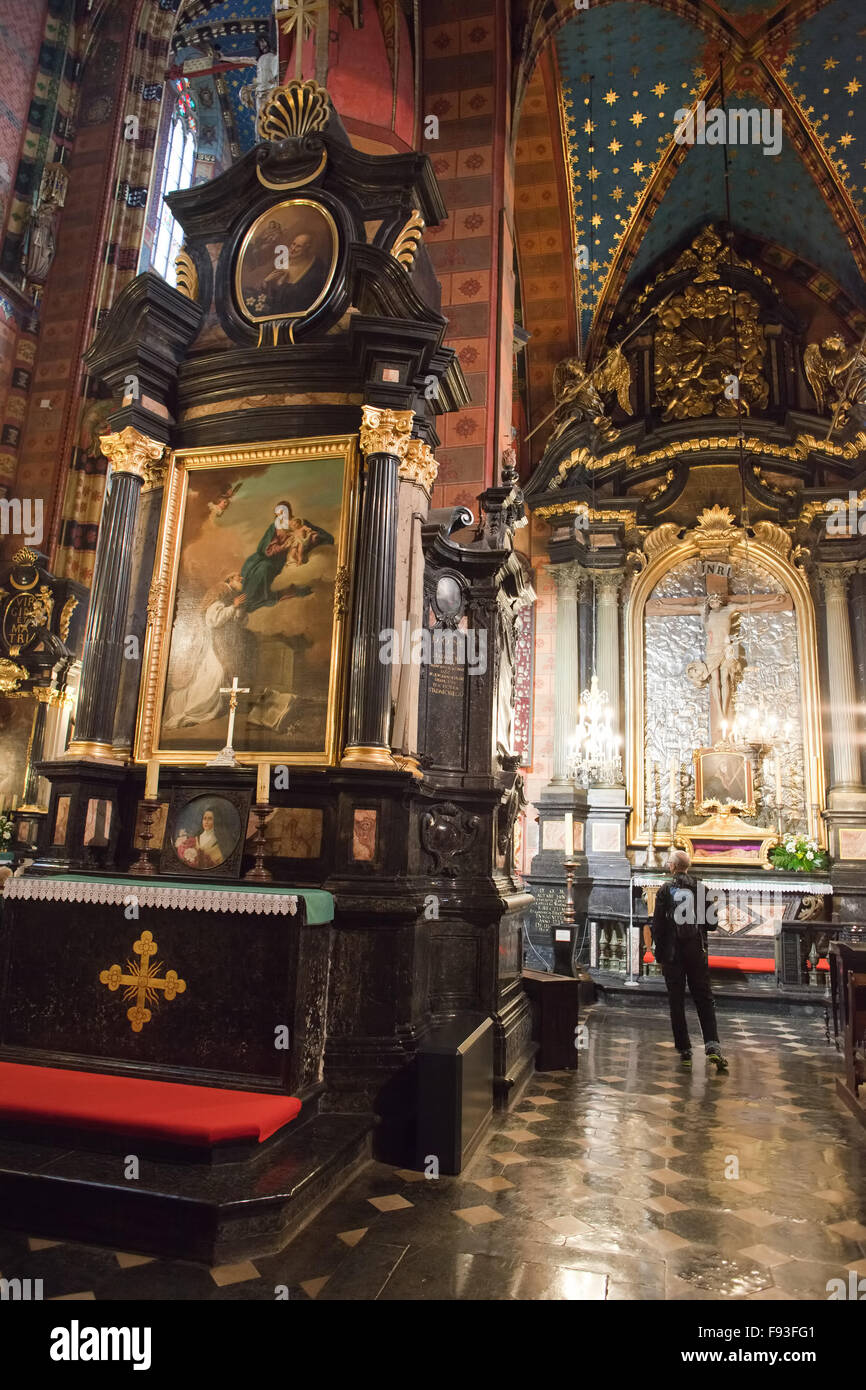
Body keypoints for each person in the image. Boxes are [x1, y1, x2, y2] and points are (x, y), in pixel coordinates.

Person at [651, 848, 728, 1070]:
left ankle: (684, 1048)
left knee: (676, 1000)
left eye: (669, 863)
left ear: (673, 867)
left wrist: (660, 951)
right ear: (688, 866)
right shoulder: (701, 888)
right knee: (704, 998)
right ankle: (712, 1045)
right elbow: (712, 924)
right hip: (696, 951)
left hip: (672, 953)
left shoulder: (665, 890)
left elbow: (658, 926)